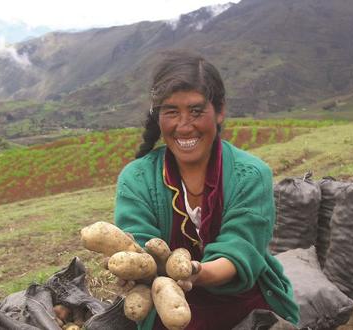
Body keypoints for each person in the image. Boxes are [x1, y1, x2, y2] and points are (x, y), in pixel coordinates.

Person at [114, 51, 299, 330]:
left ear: (220, 110)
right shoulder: (137, 179)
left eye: (196, 111)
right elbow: (137, 249)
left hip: (244, 301)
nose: (184, 126)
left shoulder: (251, 174)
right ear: (158, 116)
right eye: (171, 112)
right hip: (170, 306)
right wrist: (132, 268)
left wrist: (195, 273)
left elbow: (241, 251)